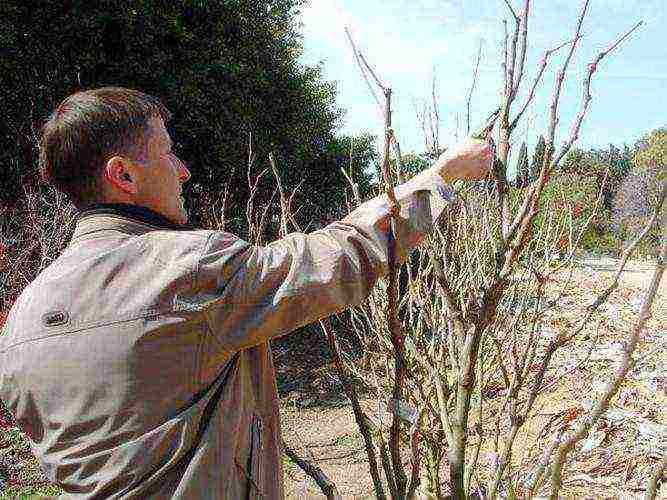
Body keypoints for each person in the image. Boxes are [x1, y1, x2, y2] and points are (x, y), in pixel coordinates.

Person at [0, 87, 492, 499]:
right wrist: (442, 177)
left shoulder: (21, 321)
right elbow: (341, 255)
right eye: (168, 152)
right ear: (123, 175)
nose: (184, 170)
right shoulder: (189, 272)